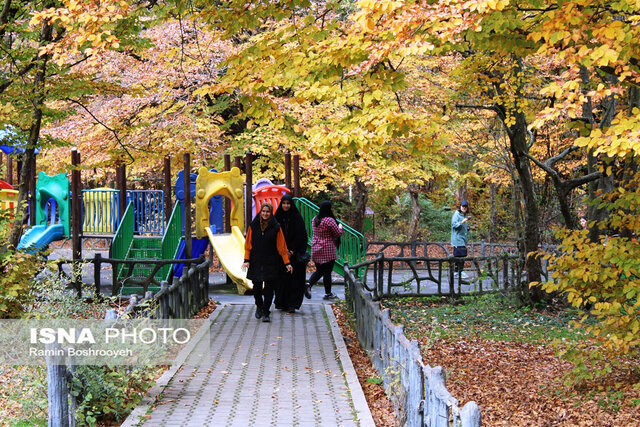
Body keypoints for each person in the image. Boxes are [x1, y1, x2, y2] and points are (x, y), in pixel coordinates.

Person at [242, 203, 293, 322]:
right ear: (261, 212)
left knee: (269, 289)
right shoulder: (253, 225)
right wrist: (246, 260)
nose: (265, 214)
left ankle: (266, 312)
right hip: (256, 261)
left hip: (271, 261)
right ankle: (259, 306)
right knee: (257, 288)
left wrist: (287, 262)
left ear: (271, 213)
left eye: (268, 212)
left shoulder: (276, 226)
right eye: (263, 211)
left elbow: (282, 247)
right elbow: (248, 244)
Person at [274, 194, 309, 313]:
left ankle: (292, 304)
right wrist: (283, 251)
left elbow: (301, 235)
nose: (286, 206)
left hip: (295, 255)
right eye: (284, 203)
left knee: (295, 279)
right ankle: (282, 302)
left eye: (288, 203)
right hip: (280, 254)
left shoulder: (297, 217)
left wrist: (292, 250)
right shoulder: (277, 217)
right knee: (281, 280)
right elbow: (274, 235)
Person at [307, 200, 343, 300]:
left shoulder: (315, 219)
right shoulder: (329, 220)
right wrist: (340, 226)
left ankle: (309, 284)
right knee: (327, 272)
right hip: (327, 249)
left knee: (320, 270)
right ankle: (328, 293)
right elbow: (337, 233)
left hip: (316, 248)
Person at [451, 200, 470, 279]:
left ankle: (457, 272)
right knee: (460, 256)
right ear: (460, 206)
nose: (464, 208)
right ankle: (459, 271)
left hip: (463, 239)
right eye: (463, 206)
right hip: (458, 239)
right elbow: (454, 225)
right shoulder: (457, 214)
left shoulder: (464, 215)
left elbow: (463, 228)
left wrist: (468, 228)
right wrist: (463, 222)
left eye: (465, 206)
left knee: (461, 255)